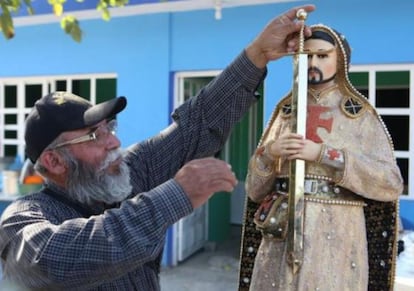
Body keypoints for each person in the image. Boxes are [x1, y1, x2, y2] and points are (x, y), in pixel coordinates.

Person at [0, 4, 316, 290]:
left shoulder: (129, 171)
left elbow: (197, 123)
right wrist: (175, 196)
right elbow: (56, 260)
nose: (114, 141)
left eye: (109, 127)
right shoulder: (22, 219)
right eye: (94, 135)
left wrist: (257, 54)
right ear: (55, 161)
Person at [238, 24, 404, 291]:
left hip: (338, 237)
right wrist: (270, 154)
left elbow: (390, 182)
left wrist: (325, 154)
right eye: (306, 56)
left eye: (322, 55)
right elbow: (255, 190)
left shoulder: (359, 114)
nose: (313, 62)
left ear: (340, 60)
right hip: (280, 238)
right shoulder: (285, 111)